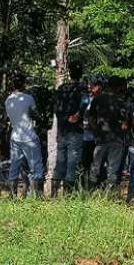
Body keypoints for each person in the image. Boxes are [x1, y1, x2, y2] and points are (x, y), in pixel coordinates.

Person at [87, 75, 134, 191]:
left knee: (95, 167)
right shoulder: (123, 103)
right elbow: (126, 125)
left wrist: (96, 132)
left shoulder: (98, 99)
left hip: (101, 139)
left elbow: (90, 118)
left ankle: (89, 193)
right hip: (117, 140)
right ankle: (109, 197)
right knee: (112, 170)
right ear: (119, 88)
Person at [5, 72, 45, 196]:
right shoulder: (28, 98)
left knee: (14, 167)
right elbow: (36, 113)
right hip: (29, 138)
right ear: (23, 83)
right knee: (36, 167)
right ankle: (37, 196)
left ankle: (12, 195)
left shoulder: (8, 100)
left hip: (15, 137)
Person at [52, 61, 87, 196]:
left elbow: (56, 108)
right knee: (72, 162)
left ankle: (54, 194)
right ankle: (68, 195)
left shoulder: (61, 89)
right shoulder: (82, 89)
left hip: (62, 131)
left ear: (69, 73)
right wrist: (78, 115)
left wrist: (63, 119)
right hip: (75, 132)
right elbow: (85, 102)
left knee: (60, 161)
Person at [81, 76, 104, 187]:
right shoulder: (86, 99)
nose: (90, 87)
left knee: (99, 164)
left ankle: (98, 188)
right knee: (86, 164)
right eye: (89, 85)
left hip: (100, 138)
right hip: (87, 137)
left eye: (92, 85)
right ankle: (85, 188)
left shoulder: (104, 100)